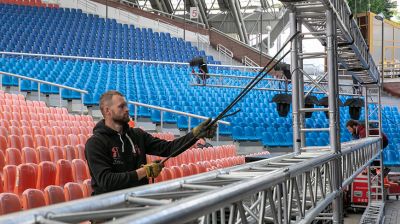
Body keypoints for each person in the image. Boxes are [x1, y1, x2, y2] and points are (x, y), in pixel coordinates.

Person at [85, 90, 217, 195]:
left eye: (126, 105)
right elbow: (106, 181)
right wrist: (144, 171)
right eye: (121, 106)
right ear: (108, 111)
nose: (127, 109)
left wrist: (194, 135)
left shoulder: (137, 135)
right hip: (109, 209)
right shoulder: (95, 143)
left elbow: (169, 149)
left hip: (138, 202)